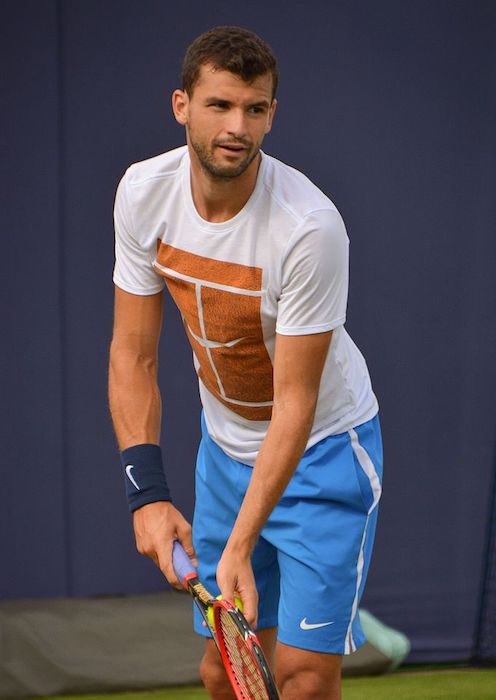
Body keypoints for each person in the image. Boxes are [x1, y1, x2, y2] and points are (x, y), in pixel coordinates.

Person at [109, 25, 383, 700]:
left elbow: (295, 402)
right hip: (226, 456)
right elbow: (132, 354)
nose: (238, 126)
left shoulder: (309, 228)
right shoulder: (144, 193)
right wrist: (147, 494)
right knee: (222, 673)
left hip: (321, 454)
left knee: (303, 676)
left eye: (254, 109)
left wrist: (236, 548)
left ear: (271, 115)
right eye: (220, 105)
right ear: (182, 106)